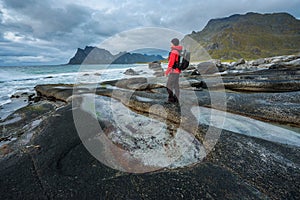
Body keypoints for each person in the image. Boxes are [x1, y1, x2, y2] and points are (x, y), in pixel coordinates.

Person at [165, 38, 183, 103]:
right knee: (176, 85)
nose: (170, 44)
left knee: (168, 86)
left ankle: (171, 99)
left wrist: (166, 72)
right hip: (177, 71)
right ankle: (176, 99)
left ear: (173, 43)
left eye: (171, 43)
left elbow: (171, 63)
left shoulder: (174, 52)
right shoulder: (179, 51)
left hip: (173, 72)